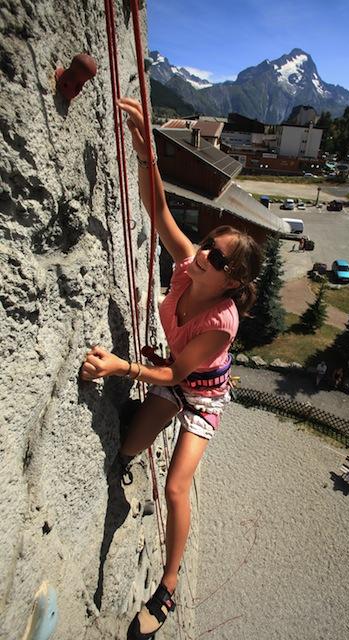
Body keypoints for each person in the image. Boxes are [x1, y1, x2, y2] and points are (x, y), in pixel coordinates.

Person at [80, 97, 262, 638]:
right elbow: (158, 213)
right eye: (210, 245)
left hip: (202, 393)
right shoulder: (188, 269)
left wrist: (118, 367)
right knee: (131, 447)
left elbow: (178, 380)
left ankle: (169, 583)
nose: (206, 255)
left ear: (232, 281)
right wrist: (147, 154)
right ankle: (134, 457)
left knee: (178, 486)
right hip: (175, 373)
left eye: (220, 259)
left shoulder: (221, 321)